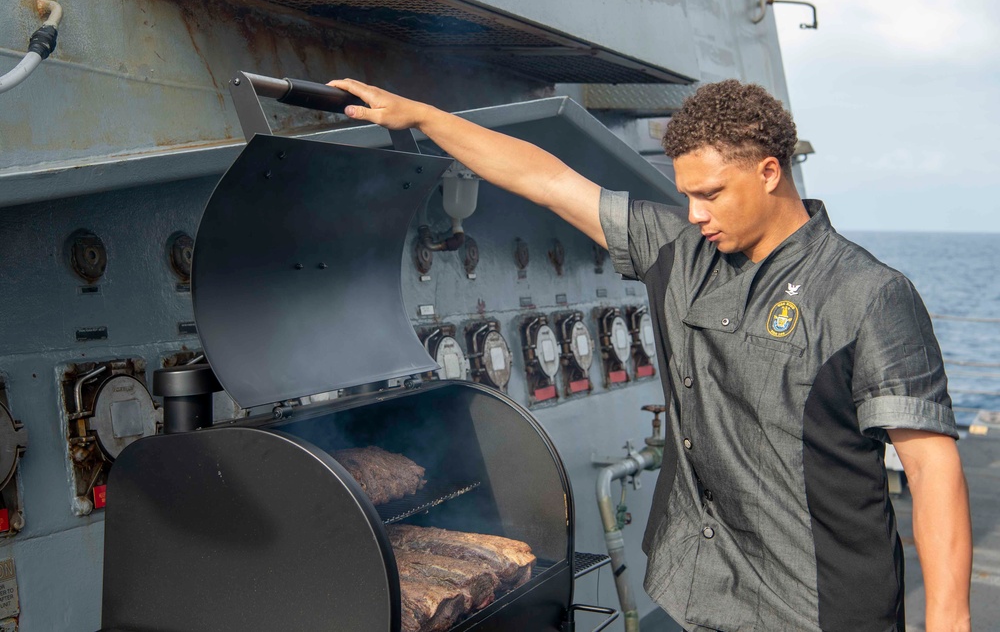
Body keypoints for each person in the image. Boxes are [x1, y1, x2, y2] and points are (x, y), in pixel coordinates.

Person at [328, 77, 972, 631]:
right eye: (686, 195)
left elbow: (930, 466)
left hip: (819, 603)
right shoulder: (679, 250)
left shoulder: (868, 293)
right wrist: (424, 117)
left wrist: (948, 620)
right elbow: (548, 180)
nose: (693, 214)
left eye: (711, 194)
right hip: (706, 585)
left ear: (769, 172)